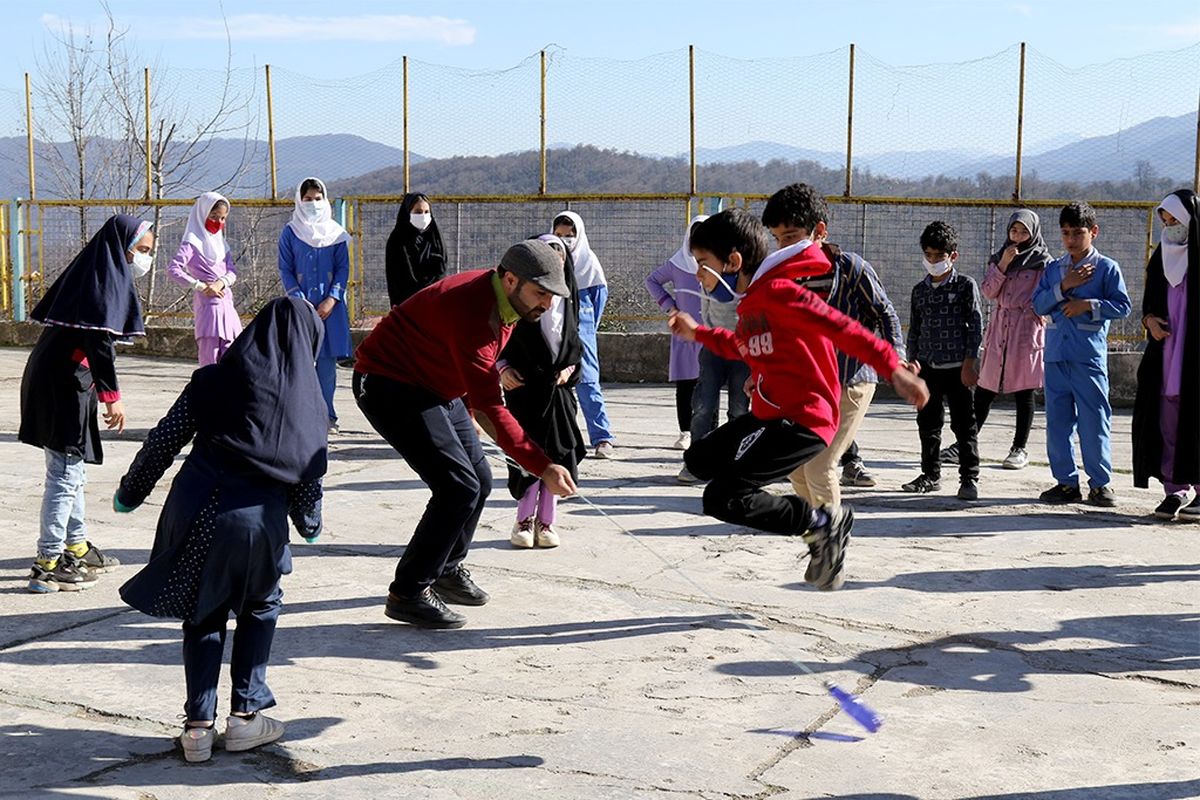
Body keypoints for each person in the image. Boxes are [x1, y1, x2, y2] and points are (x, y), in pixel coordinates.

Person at [669, 209, 929, 592]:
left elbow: (841, 327)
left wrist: (894, 368)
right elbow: (741, 345)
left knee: (722, 497)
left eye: (704, 264)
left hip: (802, 422)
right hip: (770, 415)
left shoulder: (780, 294)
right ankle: (817, 523)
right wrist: (699, 334)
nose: (698, 275)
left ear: (733, 261)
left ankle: (823, 524)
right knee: (698, 459)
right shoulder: (752, 305)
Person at [114, 297, 326, 764]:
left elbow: (165, 438)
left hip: (196, 509)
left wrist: (131, 491)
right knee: (260, 606)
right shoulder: (307, 403)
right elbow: (308, 474)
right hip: (257, 523)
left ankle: (197, 729)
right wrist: (309, 524)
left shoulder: (213, 380)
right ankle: (246, 717)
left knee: (204, 612)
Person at [354, 240, 577, 628]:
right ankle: (407, 592)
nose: (548, 304)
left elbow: (473, 378)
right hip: (390, 383)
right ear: (511, 279)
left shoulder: (504, 302)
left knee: (480, 477)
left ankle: (446, 568)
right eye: (541, 293)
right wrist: (542, 467)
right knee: (457, 486)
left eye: (553, 295)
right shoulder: (475, 312)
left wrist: (469, 409)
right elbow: (493, 408)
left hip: (438, 387)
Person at [19, 214, 153, 593]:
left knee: (72, 469)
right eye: (142, 251)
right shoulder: (104, 280)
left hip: (62, 380)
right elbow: (99, 344)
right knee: (64, 474)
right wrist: (113, 399)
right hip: (63, 386)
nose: (145, 259)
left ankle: (74, 546)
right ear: (122, 247)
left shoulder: (96, 272)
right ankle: (47, 563)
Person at [760, 184, 904, 511]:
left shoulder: (851, 268)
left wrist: (898, 361)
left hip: (851, 380)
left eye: (792, 236)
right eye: (778, 239)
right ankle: (818, 534)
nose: (784, 246)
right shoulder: (781, 277)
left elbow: (885, 314)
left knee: (819, 466)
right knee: (796, 468)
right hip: (807, 386)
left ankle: (831, 541)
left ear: (819, 231)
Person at [1032, 201, 1132, 506]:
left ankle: (1100, 484)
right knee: (1057, 422)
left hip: (1087, 357)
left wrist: (1088, 305)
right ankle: (1065, 482)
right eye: (1065, 233)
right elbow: (1038, 305)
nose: (1072, 239)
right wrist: (1065, 286)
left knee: (1094, 419)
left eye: (1078, 232)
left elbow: (1123, 306)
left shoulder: (1106, 268)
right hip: (1056, 355)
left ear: (1094, 232)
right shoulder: (1053, 269)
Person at [499, 234, 586, 548]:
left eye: (560, 255)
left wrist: (569, 368)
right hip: (524, 392)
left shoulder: (569, 301)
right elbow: (499, 341)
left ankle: (546, 522)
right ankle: (523, 521)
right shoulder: (521, 301)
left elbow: (576, 348)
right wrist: (503, 369)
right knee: (527, 457)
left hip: (558, 394)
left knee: (556, 457)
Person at [956, 209, 1050, 471]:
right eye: (1014, 230)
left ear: (1033, 233)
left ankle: (1019, 448)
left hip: (1026, 327)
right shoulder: (999, 258)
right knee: (986, 387)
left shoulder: (1043, 261)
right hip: (1000, 326)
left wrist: (1036, 314)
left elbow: (1046, 296)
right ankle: (967, 441)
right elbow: (988, 291)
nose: (1018, 236)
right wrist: (1003, 265)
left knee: (1024, 389)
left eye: (1023, 231)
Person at [901, 221, 983, 500]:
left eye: (939, 256)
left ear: (953, 256)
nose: (933, 261)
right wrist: (912, 363)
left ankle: (969, 477)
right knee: (928, 423)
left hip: (958, 368)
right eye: (929, 255)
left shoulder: (965, 286)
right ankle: (930, 474)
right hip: (927, 367)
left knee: (964, 425)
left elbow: (975, 327)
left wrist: (971, 363)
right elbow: (915, 328)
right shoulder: (919, 291)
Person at [1133, 190, 1199, 520]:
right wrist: (1148, 321)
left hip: (1193, 356)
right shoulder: (1161, 258)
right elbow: (1149, 302)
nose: (1170, 225)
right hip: (1167, 352)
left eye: (1175, 219)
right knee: (1167, 417)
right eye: (1166, 219)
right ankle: (1175, 488)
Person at [278, 176, 351, 433]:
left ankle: (327, 415)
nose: (313, 204)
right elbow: (286, 268)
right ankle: (300, 415)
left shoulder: (337, 235)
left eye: (317, 199)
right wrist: (299, 300)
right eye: (307, 199)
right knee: (300, 363)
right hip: (301, 308)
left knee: (327, 366)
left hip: (330, 309)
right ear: (299, 200)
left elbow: (343, 269)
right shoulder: (291, 232)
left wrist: (332, 298)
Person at [552, 211, 615, 458]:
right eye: (559, 235)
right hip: (555, 335)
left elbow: (599, 301)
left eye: (570, 235)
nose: (565, 240)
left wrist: (585, 329)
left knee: (588, 383)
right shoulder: (550, 262)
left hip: (583, 334)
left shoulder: (590, 266)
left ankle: (602, 437)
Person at [644, 215, 708, 451]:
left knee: (708, 385)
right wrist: (670, 306)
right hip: (684, 334)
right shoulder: (677, 263)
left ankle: (708, 432)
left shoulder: (719, 264)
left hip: (709, 333)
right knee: (686, 385)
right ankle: (685, 431)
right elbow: (652, 281)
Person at [167, 192, 243, 366]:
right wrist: (200, 286)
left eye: (223, 218)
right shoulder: (192, 243)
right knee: (210, 359)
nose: (219, 222)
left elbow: (232, 271)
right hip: (209, 309)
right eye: (214, 216)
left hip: (227, 307)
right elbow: (173, 269)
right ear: (203, 214)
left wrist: (221, 282)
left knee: (232, 360)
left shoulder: (222, 244)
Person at [385, 192, 446, 307]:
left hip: (434, 299)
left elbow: (442, 269)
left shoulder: (435, 238)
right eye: (418, 212)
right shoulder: (397, 239)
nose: (423, 216)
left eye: (426, 212)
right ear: (408, 213)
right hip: (406, 301)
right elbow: (394, 276)